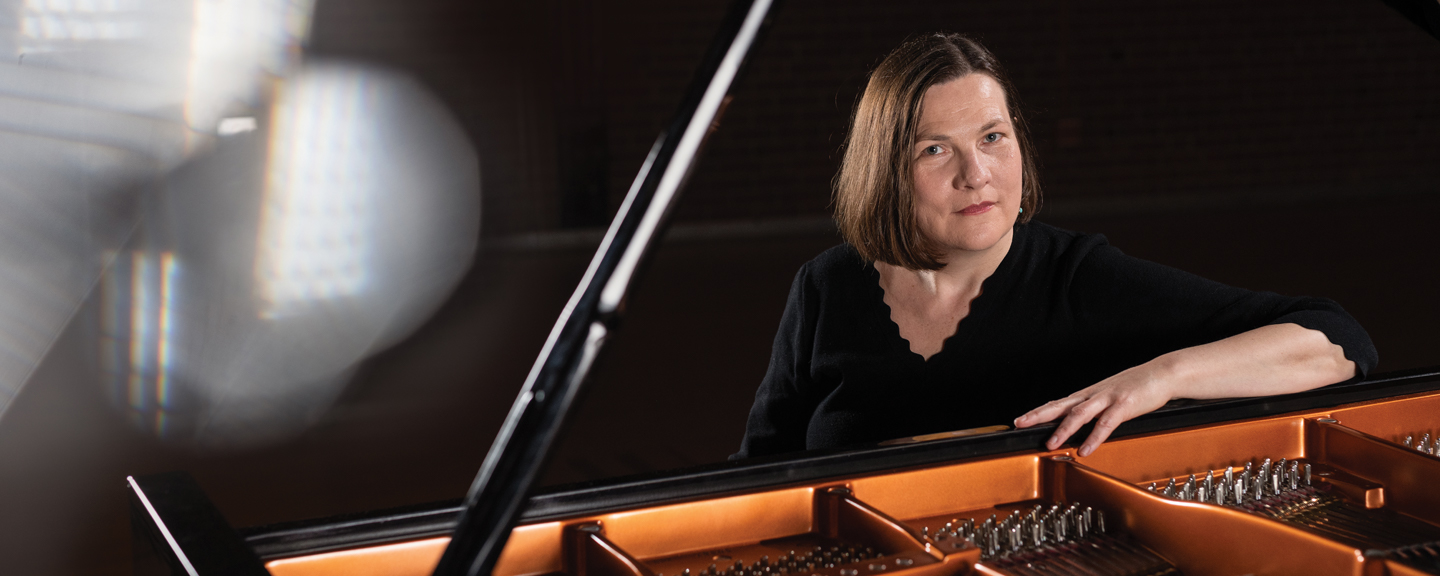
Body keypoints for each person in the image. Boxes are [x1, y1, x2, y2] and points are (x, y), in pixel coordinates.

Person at [735, 33, 1376, 459]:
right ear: (884, 169)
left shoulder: (1077, 278)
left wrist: (1161, 377)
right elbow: (757, 469)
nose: (976, 174)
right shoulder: (827, 286)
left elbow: (1336, 338)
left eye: (992, 138)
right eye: (935, 149)